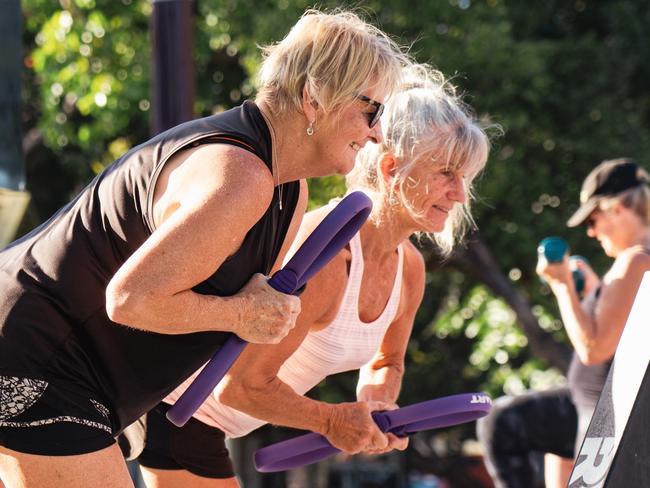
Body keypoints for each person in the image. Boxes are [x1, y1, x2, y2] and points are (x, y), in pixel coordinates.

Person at [0, 9, 409, 488]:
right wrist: (240, 315)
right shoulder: (241, 176)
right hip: (38, 353)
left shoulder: (287, 189)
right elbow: (132, 300)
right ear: (315, 98)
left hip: (60, 362)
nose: (377, 132)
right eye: (372, 110)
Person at [130, 63, 492, 488]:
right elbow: (239, 387)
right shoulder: (329, 261)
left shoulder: (408, 267)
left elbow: (387, 361)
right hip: (176, 410)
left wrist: (375, 407)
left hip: (212, 425)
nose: (460, 193)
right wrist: (332, 421)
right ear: (393, 170)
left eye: (464, 177)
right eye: (446, 173)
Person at [478, 158, 650, 488]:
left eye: (593, 219)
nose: (591, 231)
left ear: (618, 208)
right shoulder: (636, 263)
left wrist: (562, 286)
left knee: (502, 421)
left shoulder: (636, 260)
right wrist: (595, 292)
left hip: (605, 418)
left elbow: (594, 348)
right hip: (589, 409)